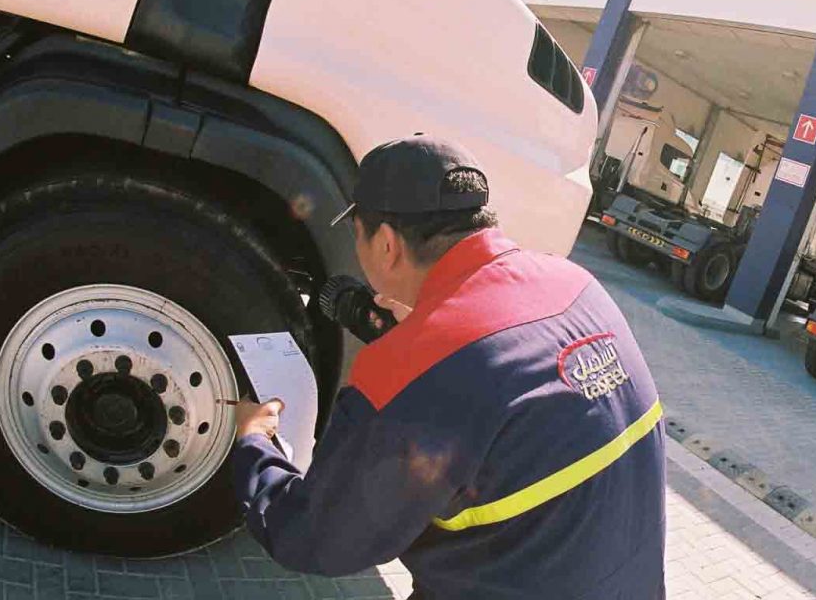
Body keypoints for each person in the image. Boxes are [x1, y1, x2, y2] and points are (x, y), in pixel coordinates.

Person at [233, 135, 666, 599]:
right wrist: (431, 334)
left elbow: (314, 537)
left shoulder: (409, 373)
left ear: (385, 244)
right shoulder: (577, 284)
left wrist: (254, 441)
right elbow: (510, 378)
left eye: (356, 233)